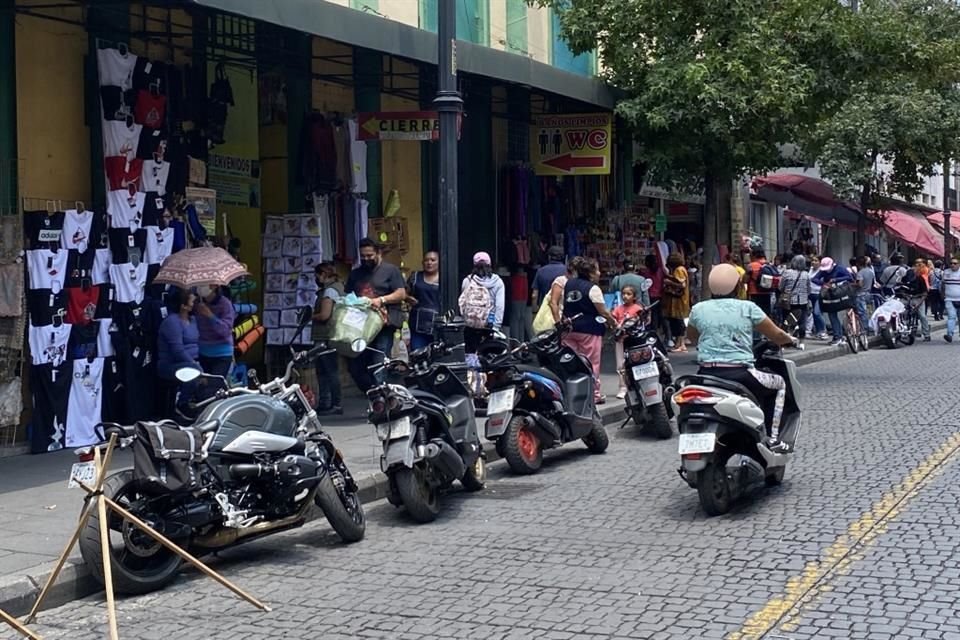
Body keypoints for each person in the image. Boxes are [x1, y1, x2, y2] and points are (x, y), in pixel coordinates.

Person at [685, 263, 797, 451]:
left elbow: (693, 337)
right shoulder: (747, 308)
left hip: (705, 374)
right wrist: (789, 340)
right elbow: (776, 334)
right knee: (779, 384)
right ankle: (772, 437)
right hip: (740, 373)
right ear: (737, 286)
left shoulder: (698, 309)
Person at [345, 237, 407, 392]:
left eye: (369, 255)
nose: (366, 259)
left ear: (378, 253)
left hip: (383, 325)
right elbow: (347, 295)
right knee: (355, 366)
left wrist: (381, 300)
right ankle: (374, 393)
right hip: (359, 327)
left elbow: (401, 293)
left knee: (378, 363)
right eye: (363, 256)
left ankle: (382, 398)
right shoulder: (356, 273)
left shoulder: (391, 271)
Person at [561, 257, 616, 404]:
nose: (599, 273)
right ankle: (594, 395)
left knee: (570, 362)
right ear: (591, 273)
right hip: (589, 330)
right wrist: (613, 323)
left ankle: (570, 393)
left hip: (569, 329)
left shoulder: (568, 284)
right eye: (597, 270)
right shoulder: (593, 288)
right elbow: (603, 312)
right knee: (591, 363)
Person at [157, 288, 201, 416]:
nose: (195, 304)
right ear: (183, 306)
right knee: (195, 371)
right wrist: (195, 364)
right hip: (171, 364)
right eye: (193, 301)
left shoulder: (193, 321)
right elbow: (177, 350)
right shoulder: (172, 322)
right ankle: (182, 404)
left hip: (193, 360)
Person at [460, 251, 505, 368]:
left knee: (470, 355)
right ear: (490, 264)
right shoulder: (498, 282)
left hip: (470, 326)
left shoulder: (468, 280)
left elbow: (463, 303)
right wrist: (496, 326)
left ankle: (472, 378)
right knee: (489, 358)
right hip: (489, 326)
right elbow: (500, 306)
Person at [312, 262, 344, 414]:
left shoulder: (329, 292)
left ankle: (333, 403)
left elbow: (325, 315)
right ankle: (329, 403)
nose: (316, 278)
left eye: (317, 275)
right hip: (333, 334)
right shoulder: (339, 287)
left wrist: (310, 317)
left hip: (325, 335)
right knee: (329, 370)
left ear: (323, 274)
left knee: (327, 371)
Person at [810, 257, 854, 346]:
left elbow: (849, 277)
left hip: (840, 293)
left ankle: (838, 336)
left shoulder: (840, 269)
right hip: (829, 294)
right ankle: (838, 336)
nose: (826, 271)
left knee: (833, 314)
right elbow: (814, 279)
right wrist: (824, 284)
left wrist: (836, 280)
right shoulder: (823, 271)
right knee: (829, 314)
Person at [196, 283, 236, 379]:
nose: (200, 288)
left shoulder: (225, 304)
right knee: (204, 389)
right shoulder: (197, 304)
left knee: (215, 386)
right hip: (203, 352)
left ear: (214, 286)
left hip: (222, 353)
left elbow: (226, 330)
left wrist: (210, 315)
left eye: (203, 284)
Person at [612, 284, 644, 399]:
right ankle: (623, 387)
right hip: (621, 340)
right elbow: (613, 320)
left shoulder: (638, 309)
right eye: (623, 294)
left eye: (628, 294)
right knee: (621, 364)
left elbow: (643, 323)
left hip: (634, 340)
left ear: (634, 297)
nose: (625, 296)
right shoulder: (618, 309)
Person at [405, 250, 441, 352]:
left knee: (437, 354)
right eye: (426, 260)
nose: (429, 263)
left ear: (439, 262)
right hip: (418, 323)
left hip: (437, 323)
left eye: (433, 260)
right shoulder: (415, 277)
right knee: (418, 353)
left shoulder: (444, 278)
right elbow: (404, 293)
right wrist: (408, 298)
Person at [777, 255, 811, 345]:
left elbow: (780, 287)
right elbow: (809, 289)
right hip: (803, 301)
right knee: (802, 321)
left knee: (787, 320)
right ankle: (801, 341)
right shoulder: (806, 274)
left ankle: (787, 340)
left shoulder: (787, 273)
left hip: (788, 301)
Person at [662, 252, 690, 352]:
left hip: (679, 301)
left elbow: (681, 285)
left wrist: (669, 282)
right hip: (681, 300)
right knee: (679, 322)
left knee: (679, 322)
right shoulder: (682, 269)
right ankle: (679, 343)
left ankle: (680, 344)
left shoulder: (679, 270)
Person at [902, 259, 931, 342]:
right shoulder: (906, 279)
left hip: (919, 298)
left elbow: (925, 293)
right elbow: (902, 288)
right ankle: (905, 331)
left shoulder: (921, 279)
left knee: (922, 316)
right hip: (908, 298)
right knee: (904, 313)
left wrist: (919, 303)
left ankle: (926, 334)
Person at [747, 249, 773, 315]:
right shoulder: (768, 264)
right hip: (767, 291)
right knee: (766, 313)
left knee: (756, 313)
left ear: (754, 255)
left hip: (755, 292)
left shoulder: (751, 265)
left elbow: (745, 279)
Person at [807, 256, 827, 340]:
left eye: (816, 261)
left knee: (817, 313)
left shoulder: (822, 271)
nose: (813, 262)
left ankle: (823, 330)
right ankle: (819, 332)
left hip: (818, 293)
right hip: (810, 293)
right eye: (812, 260)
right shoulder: (811, 269)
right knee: (814, 314)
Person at [941, 256, 960, 342]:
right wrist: (942, 294)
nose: (952, 265)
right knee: (951, 317)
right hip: (949, 299)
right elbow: (943, 285)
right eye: (951, 263)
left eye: (955, 263)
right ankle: (949, 334)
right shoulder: (946, 272)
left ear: (958, 265)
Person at [856, 256, 876, 332]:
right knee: (870, 311)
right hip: (869, 293)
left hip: (861, 294)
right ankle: (871, 327)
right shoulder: (871, 271)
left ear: (858, 264)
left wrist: (854, 284)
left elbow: (860, 284)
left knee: (862, 312)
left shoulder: (860, 272)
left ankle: (864, 328)